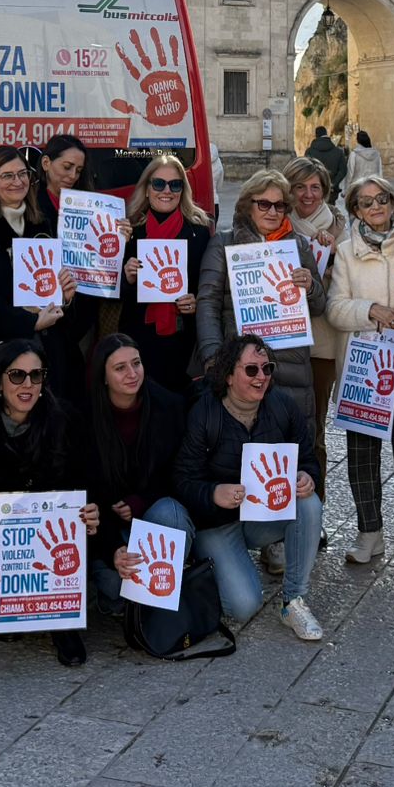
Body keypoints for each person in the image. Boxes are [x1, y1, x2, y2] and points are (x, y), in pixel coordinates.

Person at [0, 341, 101, 665]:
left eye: (36, 376)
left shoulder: (66, 419)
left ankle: (63, 620)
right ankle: (8, 599)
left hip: (59, 545)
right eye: (17, 375)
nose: (27, 385)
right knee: (4, 628)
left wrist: (93, 510)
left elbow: (89, 481)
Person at [174, 334, 325, 639]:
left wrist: (308, 477)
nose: (262, 378)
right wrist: (214, 493)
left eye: (267, 369)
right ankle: (213, 566)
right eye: (251, 370)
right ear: (229, 376)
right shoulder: (204, 413)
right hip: (216, 523)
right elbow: (181, 481)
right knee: (244, 606)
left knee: (309, 503)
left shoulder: (281, 405)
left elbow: (308, 459)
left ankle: (293, 600)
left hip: (260, 517)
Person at [323, 175, 394, 566]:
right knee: (361, 454)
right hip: (361, 362)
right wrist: (369, 310)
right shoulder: (346, 250)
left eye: (382, 199)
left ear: (392, 201)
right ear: (355, 210)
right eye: (366, 202)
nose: (376, 207)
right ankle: (369, 532)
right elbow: (335, 308)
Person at [0, 147, 84, 407]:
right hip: (5, 352)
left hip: (51, 349)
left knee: (54, 421)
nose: (18, 181)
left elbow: (52, 286)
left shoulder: (41, 221)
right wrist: (30, 322)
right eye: (7, 176)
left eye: (22, 174)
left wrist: (65, 297)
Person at [196, 171, 326, 435]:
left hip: (291, 369)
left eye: (279, 205)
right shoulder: (224, 243)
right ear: (247, 206)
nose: (272, 212)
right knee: (239, 448)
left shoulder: (298, 246)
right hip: (241, 367)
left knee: (290, 450)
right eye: (264, 204)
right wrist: (213, 358)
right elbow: (207, 304)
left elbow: (319, 306)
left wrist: (311, 287)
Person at [82, 333, 194, 615]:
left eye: (137, 363)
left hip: (152, 511)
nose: (132, 374)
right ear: (103, 376)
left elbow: (178, 474)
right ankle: (136, 590)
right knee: (112, 585)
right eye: (120, 368)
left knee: (173, 514)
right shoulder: (82, 417)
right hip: (106, 525)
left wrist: (141, 501)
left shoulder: (169, 406)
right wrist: (114, 549)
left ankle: (157, 587)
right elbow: (85, 493)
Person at [117, 153, 210, 398]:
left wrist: (196, 301)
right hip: (138, 337)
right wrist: (126, 277)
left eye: (175, 184)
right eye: (158, 183)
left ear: (183, 190)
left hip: (181, 340)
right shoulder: (130, 230)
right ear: (147, 189)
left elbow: (209, 287)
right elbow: (108, 291)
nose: (166, 190)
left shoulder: (198, 233)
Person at [283, 156, 343, 474]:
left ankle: (314, 498)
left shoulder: (341, 229)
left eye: (315, 188)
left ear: (325, 191)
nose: (308, 195)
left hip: (322, 343)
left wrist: (332, 261)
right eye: (300, 187)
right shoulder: (277, 224)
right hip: (283, 341)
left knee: (315, 428)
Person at [305, 125, 347, 194]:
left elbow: (306, 169)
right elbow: (343, 170)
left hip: (314, 190)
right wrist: (333, 183)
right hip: (332, 190)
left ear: (316, 135)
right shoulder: (338, 152)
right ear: (326, 134)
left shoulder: (309, 151)